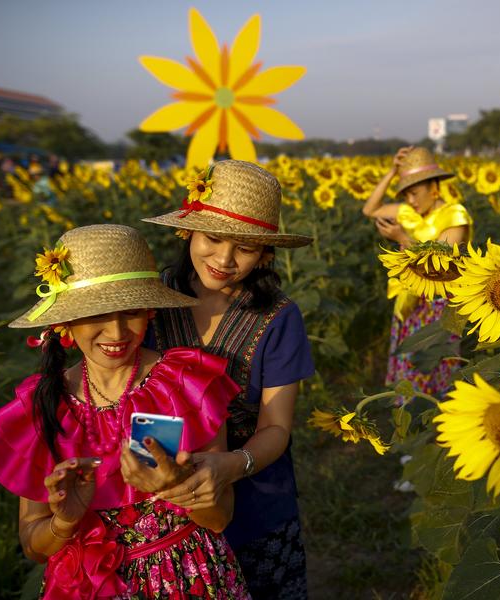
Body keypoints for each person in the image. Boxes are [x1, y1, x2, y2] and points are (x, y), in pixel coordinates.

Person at [0, 224, 250, 599]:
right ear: (65, 323)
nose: (117, 331)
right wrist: (66, 519)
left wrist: (175, 486)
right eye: (97, 315)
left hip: (190, 579)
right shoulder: (44, 405)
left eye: (131, 312)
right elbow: (33, 546)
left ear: (150, 311)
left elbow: (221, 518)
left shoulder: (186, 383)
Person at [143, 160, 315, 599]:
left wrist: (230, 464)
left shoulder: (278, 316)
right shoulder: (149, 301)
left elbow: (275, 427)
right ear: (188, 232)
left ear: (265, 254)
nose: (223, 259)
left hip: (257, 502)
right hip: (161, 512)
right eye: (213, 238)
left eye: (245, 248)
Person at [362, 146, 472, 398]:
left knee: (436, 359)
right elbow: (370, 210)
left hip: (442, 303)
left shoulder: (454, 216)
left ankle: (437, 418)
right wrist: (392, 172)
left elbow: (440, 262)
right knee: (411, 359)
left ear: (433, 186)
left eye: (414, 192)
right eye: (406, 194)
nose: (410, 200)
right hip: (411, 302)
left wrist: (403, 238)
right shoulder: (408, 213)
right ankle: (410, 411)